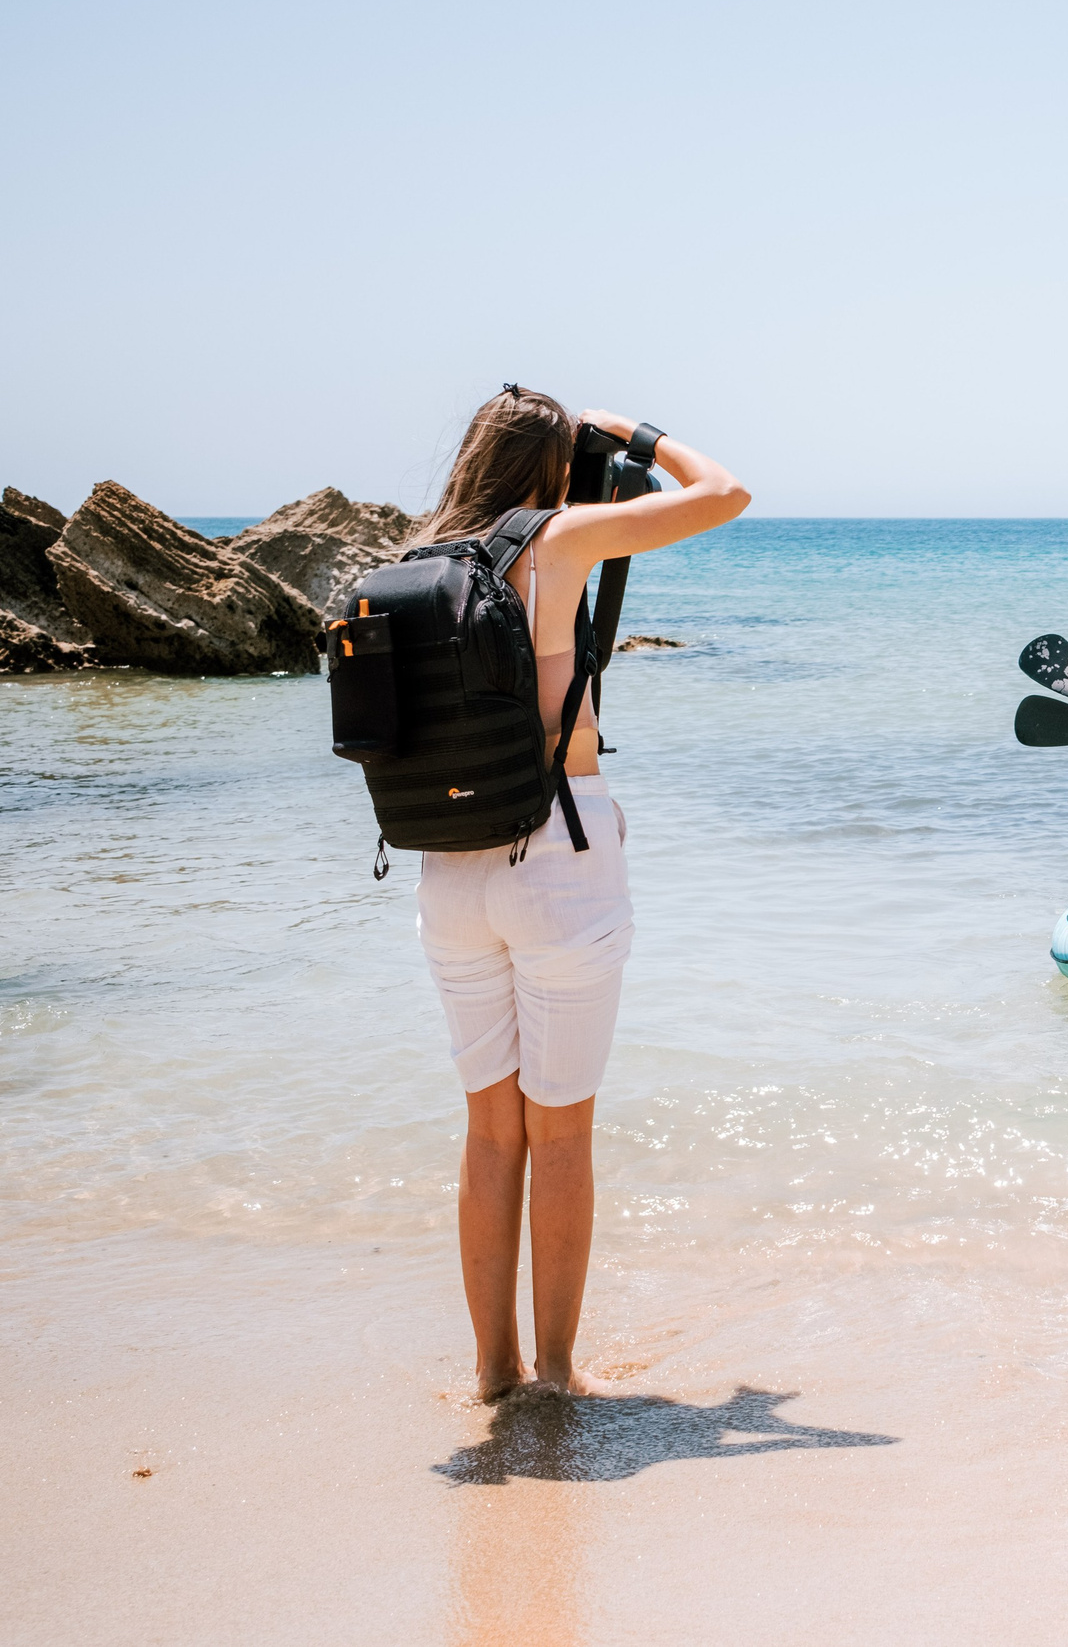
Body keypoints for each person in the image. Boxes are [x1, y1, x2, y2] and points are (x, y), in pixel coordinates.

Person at [410, 386, 750, 1401]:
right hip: (556, 855)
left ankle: (489, 1370)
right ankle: (556, 1371)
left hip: (446, 865)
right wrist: (632, 435)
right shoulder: (556, 539)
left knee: (487, 1126)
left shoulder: (425, 550)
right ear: (553, 464)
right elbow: (724, 493)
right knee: (559, 1127)